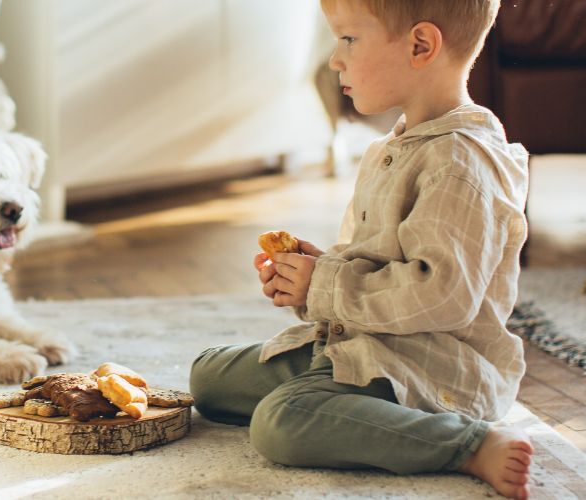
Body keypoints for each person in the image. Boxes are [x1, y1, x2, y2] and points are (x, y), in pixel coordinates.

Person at [189, 1, 533, 498]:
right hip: (369, 344)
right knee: (209, 377)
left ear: (420, 46)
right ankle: (342, 407)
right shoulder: (400, 145)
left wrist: (325, 284)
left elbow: (441, 296)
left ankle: (467, 444)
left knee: (282, 423)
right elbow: (376, 262)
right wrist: (314, 273)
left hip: (430, 369)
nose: (335, 60)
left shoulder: (460, 162)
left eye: (348, 39)